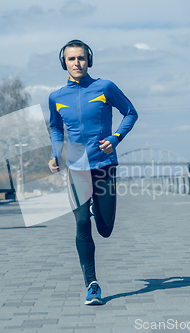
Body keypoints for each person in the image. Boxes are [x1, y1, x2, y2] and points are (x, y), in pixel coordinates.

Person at [48, 40, 138, 305]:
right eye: (71, 59)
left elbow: (131, 113)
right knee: (80, 223)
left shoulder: (105, 87)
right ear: (63, 62)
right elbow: (55, 128)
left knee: (106, 228)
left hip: (103, 166)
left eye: (81, 58)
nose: (76, 63)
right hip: (76, 169)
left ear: (89, 60)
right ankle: (92, 285)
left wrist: (116, 137)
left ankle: (95, 209)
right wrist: (55, 154)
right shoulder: (56, 97)